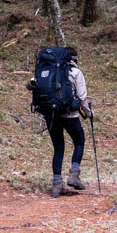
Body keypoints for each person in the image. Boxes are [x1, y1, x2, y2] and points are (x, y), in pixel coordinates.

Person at [28, 46, 91, 198]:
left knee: (58, 148)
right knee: (79, 141)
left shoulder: (48, 70)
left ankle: (57, 185)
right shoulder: (75, 72)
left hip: (51, 114)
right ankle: (74, 175)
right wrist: (88, 113)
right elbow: (82, 97)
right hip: (70, 115)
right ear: (74, 59)